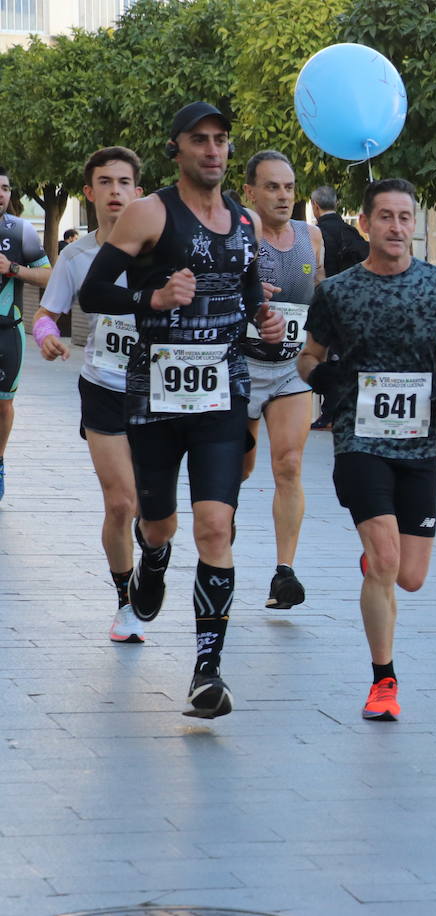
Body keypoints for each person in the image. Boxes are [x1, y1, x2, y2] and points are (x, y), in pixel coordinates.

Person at [79, 101, 286, 719]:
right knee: (160, 524)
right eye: (200, 140)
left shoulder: (242, 221)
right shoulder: (149, 212)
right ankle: (155, 559)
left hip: (224, 393)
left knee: (216, 527)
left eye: (222, 141)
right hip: (156, 397)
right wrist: (154, 295)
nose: (214, 151)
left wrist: (265, 322)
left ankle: (206, 671)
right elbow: (93, 291)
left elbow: (250, 294)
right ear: (177, 149)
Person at [299, 177, 436, 722]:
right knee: (388, 564)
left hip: (419, 443)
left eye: (406, 217)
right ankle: (383, 681)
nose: (397, 227)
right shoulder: (337, 291)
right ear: (366, 224)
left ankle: (380, 561)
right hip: (358, 439)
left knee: (409, 575)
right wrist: (322, 375)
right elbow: (308, 357)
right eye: (386, 217)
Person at [32, 147, 144, 642]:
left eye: (124, 182)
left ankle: (151, 565)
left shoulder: (161, 248)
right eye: (105, 182)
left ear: (138, 192)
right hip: (103, 386)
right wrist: (45, 337)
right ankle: (125, 603)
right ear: (90, 192)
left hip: (159, 392)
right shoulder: (76, 256)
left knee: (150, 508)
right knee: (120, 503)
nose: (115, 191)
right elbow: (45, 314)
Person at [239, 150, 322, 610]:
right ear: (250, 191)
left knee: (288, 463)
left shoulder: (312, 237)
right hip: (241, 366)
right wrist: (245, 293)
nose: (283, 195)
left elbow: (321, 298)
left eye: (289, 187)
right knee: (241, 469)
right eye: (272, 187)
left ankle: (284, 573)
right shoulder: (237, 235)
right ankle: (219, 542)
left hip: (291, 369)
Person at [0, 165, 54, 501]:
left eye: (5, 188)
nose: (1, 194)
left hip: (8, 331)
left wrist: (13, 269)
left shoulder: (21, 231)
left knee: (3, 407)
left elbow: (50, 276)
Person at [307, 185, 367, 431]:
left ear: (314, 206)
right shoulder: (351, 232)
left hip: (326, 304)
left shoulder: (315, 233)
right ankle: (336, 410)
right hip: (355, 304)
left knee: (325, 358)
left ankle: (329, 413)